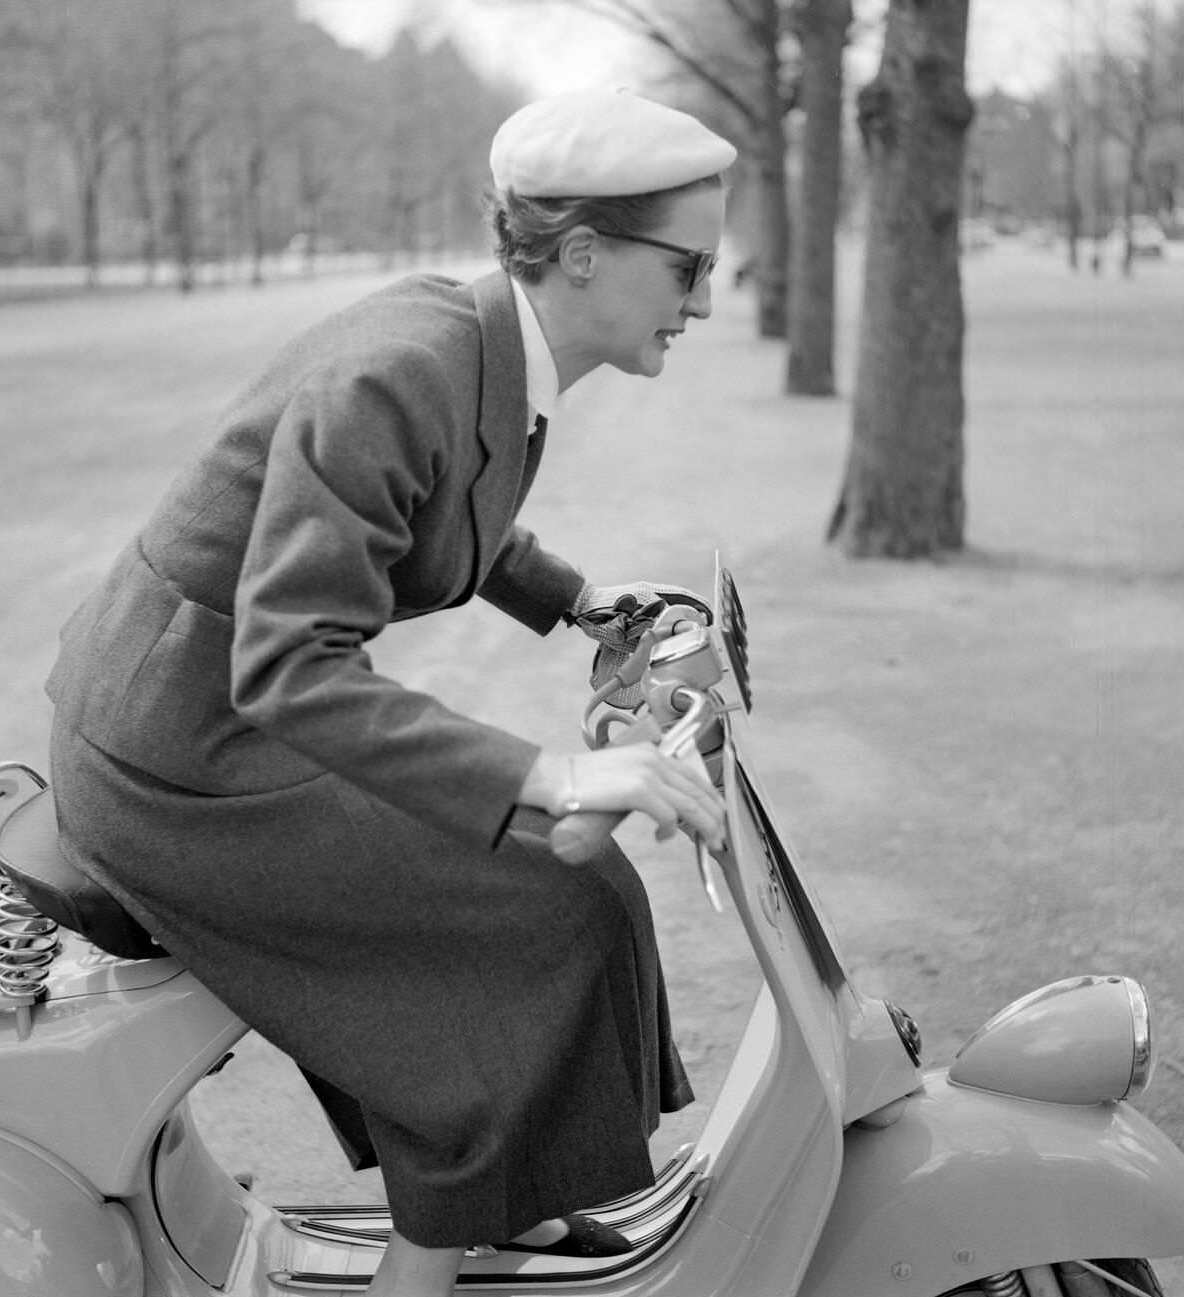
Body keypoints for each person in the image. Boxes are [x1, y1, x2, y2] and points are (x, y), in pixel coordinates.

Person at [44, 86, 735, 1297]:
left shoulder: (477, 343)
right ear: (583, 253)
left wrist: (580, 605)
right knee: (550, 905)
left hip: (221, 728)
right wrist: (554, 774)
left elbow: (432, 510)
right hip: (179, 764)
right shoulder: (399, 370)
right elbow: (288, 664)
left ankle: (505, 1207)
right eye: (687, 268)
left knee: (574, 892)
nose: (706, 301)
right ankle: (431, 1258)